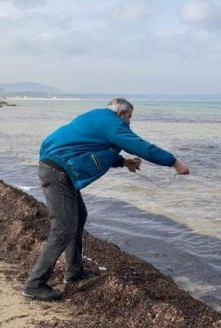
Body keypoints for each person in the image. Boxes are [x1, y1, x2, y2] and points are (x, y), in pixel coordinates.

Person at [21, 97, 190, 301]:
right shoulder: (112, 122)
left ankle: (73, 272)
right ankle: (35, 284)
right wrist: (173, 162)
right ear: (120, 113)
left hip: (59, 167)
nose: (129, 122)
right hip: (59, 171)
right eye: (129, 117)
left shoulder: (97, 117)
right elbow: (140, 146)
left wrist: (123, 162)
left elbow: (90, 148)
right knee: (64, 228)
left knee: (79, 217)